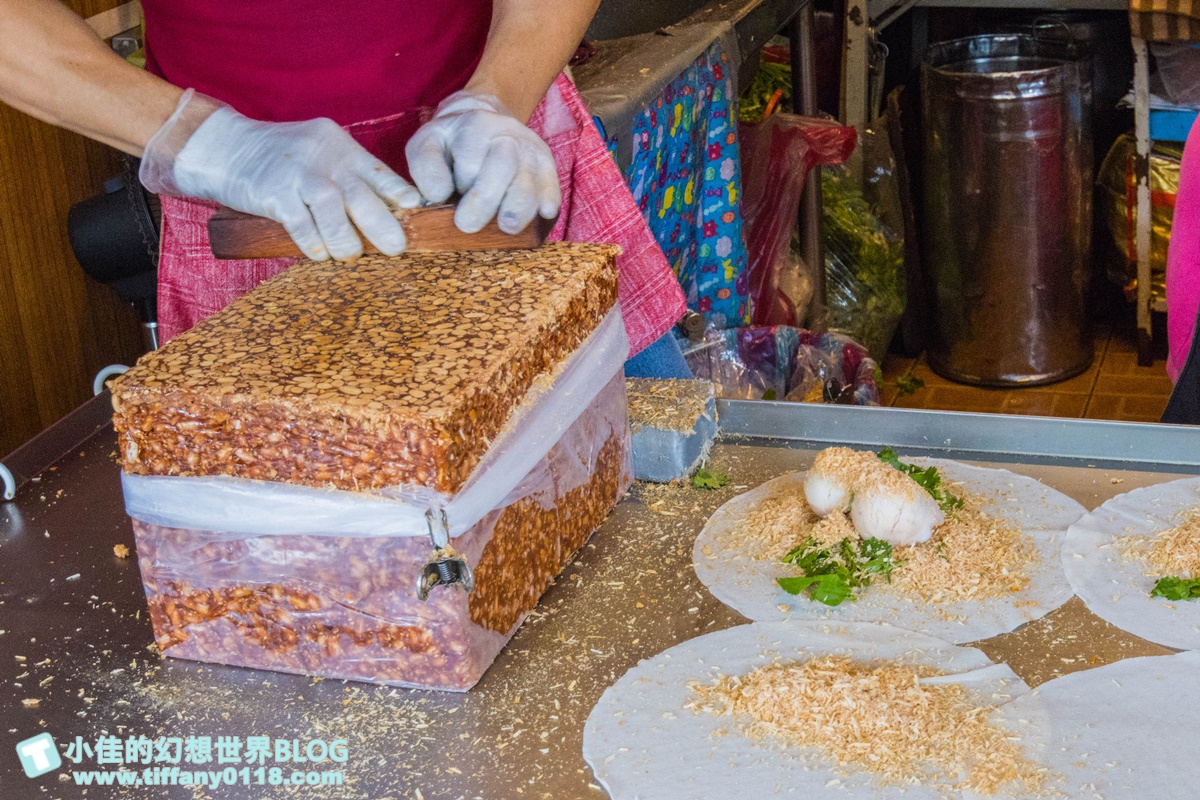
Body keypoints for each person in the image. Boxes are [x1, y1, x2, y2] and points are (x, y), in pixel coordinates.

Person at [0, 0, 690, 377]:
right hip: (253, 204)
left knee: (650, 504)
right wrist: (205, 142)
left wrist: (499, 97)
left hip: (492, 167)